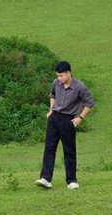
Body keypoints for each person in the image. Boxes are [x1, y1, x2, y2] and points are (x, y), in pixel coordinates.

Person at [37, 59, 94, 189]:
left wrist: (80, 117)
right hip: (54, 118)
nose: (59, 78)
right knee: (49, 148)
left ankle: (71, 181)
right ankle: (45, 178)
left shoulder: (79, 87)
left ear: (68, 73)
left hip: (68, 120)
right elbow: (52, 95)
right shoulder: (56, 83)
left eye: (61, 75)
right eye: (57, 75)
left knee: (69, 150)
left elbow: (90, 102)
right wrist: (51, 109)